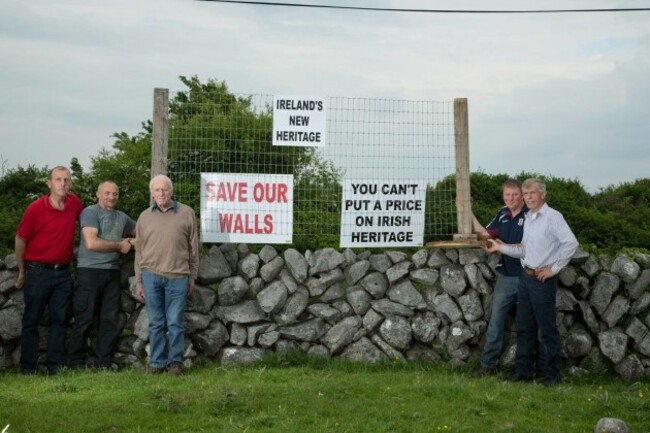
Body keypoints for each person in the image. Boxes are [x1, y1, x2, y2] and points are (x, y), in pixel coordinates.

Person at [485, 178, 578, 386]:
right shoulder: (529, 217)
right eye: (526, 194)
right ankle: (523, 373)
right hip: (525, 278)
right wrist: (499, 248)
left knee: (546, 329)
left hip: (541, 279)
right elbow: (523, 249)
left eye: (532, 194)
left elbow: (571, 243)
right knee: (525, 327)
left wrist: (554, 269)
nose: (528, 198)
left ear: (542, 195)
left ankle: (550, 375)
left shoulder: (553, 217)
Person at [15, 166, 84, 374]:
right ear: (49, 183)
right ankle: (27, 368)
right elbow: (20, 239)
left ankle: (55, 367)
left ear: (70, 183)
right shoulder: (35, 208)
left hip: (62, 273)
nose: (63, 183)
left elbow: (87, 226)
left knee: (60, 320)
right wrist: (21, 270)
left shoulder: (75, 204)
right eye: (58, 179)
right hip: (37, 272)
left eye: (66, 180)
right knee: (31, 320)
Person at [68, 181, 136, 370]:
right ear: (98, 194)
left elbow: (144, 232)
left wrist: (132, 239)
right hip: (89, 271)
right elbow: (91, 243)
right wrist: (120, 244)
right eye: (107, 193)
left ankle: (103, 363)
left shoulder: (122, 217)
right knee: (84, 317)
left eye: (115, 193)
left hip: (112, 272)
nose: (111, 197)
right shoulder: (90, 212)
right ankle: (75, 363)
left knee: (109, 319)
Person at [135, 175, 198, 375]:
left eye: (165, 190)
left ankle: (175, 363)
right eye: (157, 190)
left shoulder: (187, 213)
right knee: (156, 323)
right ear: (152, 193)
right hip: (151, 276)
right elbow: (139, 251)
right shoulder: (144, 217)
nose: (161, 194)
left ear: (171, 191)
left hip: (178, 276)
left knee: (175, 322)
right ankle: (157, 362)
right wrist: (139, 280)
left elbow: (194, 248)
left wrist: (192, 276)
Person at [472, 178, 527, 377]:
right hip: (505, 276)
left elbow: (530, 248)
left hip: (528, 276)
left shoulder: (532, 215)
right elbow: (485, 234)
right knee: (495, 321)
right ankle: (488, 366)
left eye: (514, 195)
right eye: (507, 195)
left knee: (528, 324)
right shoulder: (502, 213)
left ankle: (526, 369)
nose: (511, 199)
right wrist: (467, 212)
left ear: (522, 195)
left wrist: (501, 245)